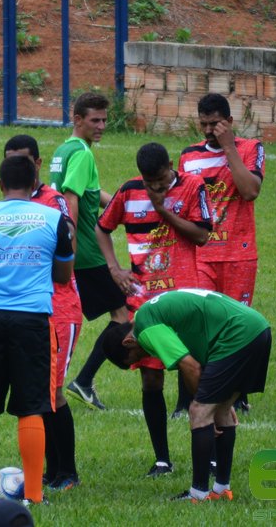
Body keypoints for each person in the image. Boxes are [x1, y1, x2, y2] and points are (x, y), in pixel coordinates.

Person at [0, 155, 75, 506]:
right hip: (32, 321)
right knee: (32, 406)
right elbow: (65, 276)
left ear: (0, 183)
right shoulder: (54, 219)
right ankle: (34, 496)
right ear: (35, 181)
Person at [95, 142, 212, 477]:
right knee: (150, 379)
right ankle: (162, 459)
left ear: (171, 166)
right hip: (143, 301)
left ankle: (211, 454)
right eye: (150, 183)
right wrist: (115, 269)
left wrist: (163, 211)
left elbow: (203, 236)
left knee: (196, 376)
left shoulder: (193, 187)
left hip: (184, 300)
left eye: (160, 180)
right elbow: (102, 228)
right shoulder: (129, 191)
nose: (156, 187)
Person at [101, 289, 272, 503]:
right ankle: (221, 490)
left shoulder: (145, 327)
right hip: (257, 328)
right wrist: (217, 401)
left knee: (199, 411)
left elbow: (190, 366)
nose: (144, 357)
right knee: (220, 411)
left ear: (128, 342)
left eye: (136, 356)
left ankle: (197, 495)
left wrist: (203, 403)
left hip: (237, 334)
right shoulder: (150, 312)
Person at [175, 92, 266, 416]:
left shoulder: (250, 148)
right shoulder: (188, 156)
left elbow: (250, 191)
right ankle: (185, 399)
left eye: (216, 124)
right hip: (200, 255)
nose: (210, 130)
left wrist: (229, 148)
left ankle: (237, 394)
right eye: (204, 124)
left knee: (236, 328)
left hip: (239, 254)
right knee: (194, 326)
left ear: (229, 122)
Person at [4, 135, 83, 491]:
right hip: (28, 310)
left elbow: (69, 243)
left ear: (37, 164)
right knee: (40, 391)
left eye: (23, 160)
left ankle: (66, 472)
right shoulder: (7, 204)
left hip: (59, 308)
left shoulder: (54, 201)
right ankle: (52, 471)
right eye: (10, 160)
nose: (17, 166)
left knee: (53, 392)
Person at [49, 92, 128, 411]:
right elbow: (71, 198)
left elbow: (89, 193)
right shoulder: (82, 154)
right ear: (77, 119)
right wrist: (71, 243)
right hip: (86, 253)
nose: (102, 126)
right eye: (95, 120)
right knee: (123, 316)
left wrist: (123, 205)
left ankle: (71, 379)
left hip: (72, 251)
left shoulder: (63, 150)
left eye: (104, 120)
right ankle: (82, 380)